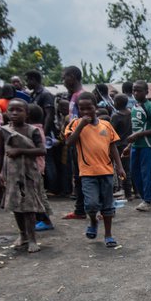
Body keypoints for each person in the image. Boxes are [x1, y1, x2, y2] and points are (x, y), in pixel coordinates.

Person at [64, 93, 125, 247]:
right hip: (87, 173)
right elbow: (69, 142)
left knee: (108, 205)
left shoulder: (106, 125)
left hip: (106, 171)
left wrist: (119, 166)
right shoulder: (74, 124)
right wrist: (81, 126)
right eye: (81, 109)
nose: (85, 112)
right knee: (91, 205)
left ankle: (108, 234)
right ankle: (93, 222)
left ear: (95, 107)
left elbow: (113, 147)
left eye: (89, 108)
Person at [0, 99, 47, 253]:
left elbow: (42, 151)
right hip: (11, 173)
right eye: (11, 110)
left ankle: (32, 238)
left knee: (29, 207)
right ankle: (22, 235)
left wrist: (20, 151)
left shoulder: (32, 131)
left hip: (29, 173)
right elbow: (1, 152)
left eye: (19, 110)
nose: (14, 113)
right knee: (16, 206)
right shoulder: (3, 130)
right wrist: (0, 171)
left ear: (27, 113)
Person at [123, 80, 151, 211]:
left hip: (148, 145)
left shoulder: (150, 106)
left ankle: (148, 201)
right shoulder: (134, 107)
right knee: (135, 173)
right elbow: (135, 129)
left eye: (139, 90)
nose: (135, 93)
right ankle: (148, 196)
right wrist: (129, 146)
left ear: (146, 92)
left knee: (147, 173)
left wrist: (139, 135)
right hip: (136, 146)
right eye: (134, 90)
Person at [61, 66, 87, 220]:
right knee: (77, 176)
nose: (63, 81)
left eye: (64, 77)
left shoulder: (81, 96)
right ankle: (80, 209)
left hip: (81, 142)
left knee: (82, 176)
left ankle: (84, 209)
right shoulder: (74, 96)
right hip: (74, 141)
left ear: (72, 77)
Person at [26, 103, 54, 232]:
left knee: (37, 195)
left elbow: (39, 150)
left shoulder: (33, 130)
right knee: (37, 194)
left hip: (35, 167)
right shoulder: (37, 128)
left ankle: (45, 220)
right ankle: (41, 218)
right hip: (35, 167)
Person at [110, 92, 134, 201]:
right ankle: (135, 191)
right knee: (130, 169)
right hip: (130, 143)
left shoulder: (116, 116)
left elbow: (111, 131)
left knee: (122, 170)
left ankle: (127, 193)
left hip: (120, 146)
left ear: (118, 103)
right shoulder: (131, 113)